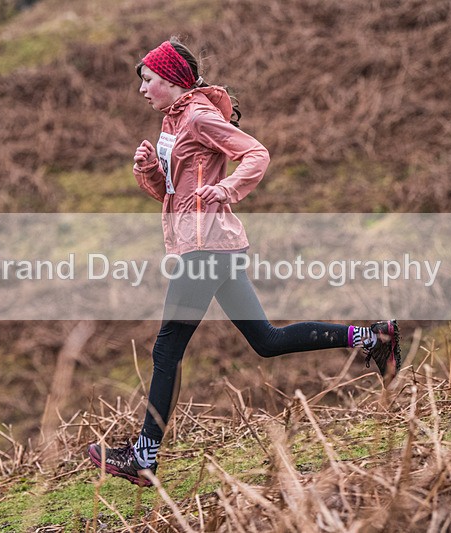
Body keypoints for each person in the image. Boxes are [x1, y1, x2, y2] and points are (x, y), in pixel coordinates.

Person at [88, 37, 400, 487]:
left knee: (166, 350)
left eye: (149, 80)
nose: (142, 89)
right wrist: (149, 171)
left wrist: (228, 190)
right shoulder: (173, 125)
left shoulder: (198, 117)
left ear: (171, 80)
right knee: (266, 340)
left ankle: (143, 457)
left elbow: (257, 153)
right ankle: (373, 338)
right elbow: (172, 195)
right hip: (206, 245)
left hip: (207, 249)